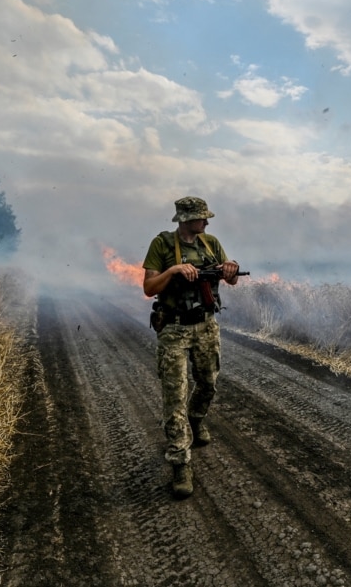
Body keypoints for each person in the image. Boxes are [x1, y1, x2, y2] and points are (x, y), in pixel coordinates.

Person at [142, 196, 240, 498]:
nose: (207, 223)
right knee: (175, 396)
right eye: (201, 218)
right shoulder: (161, 244)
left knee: (209, 383)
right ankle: (180, 463)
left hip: (206, 325)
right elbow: (149, 288)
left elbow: (232, 280)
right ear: (185, 219)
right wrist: (174, 271)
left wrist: (230, 269)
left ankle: (196, 419)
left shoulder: (211, 243)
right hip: (173, 327)